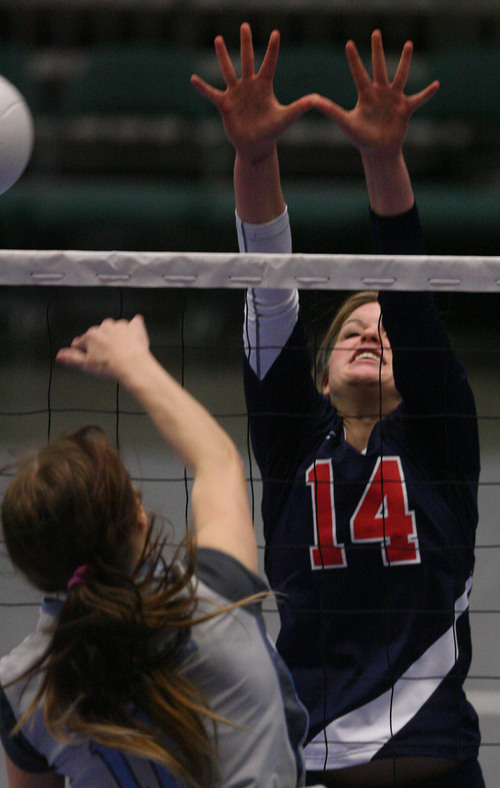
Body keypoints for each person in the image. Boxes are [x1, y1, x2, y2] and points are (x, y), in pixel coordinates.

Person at [192, 23, 484, 787]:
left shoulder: (440, 443)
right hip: (317, 770)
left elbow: (411, 296)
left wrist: (382, 158)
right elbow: (271, 283)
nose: (371, 333)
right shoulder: (293, 445)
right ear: (319, 378)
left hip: (440, 770)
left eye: (382, 329)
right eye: (352, 328)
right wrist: (255, 154)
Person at [0, 314, 311, 787]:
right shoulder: (214, 603)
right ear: (138, 515)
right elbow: (217, 461)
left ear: (30, 567)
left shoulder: (22, 688)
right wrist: (132, 362)